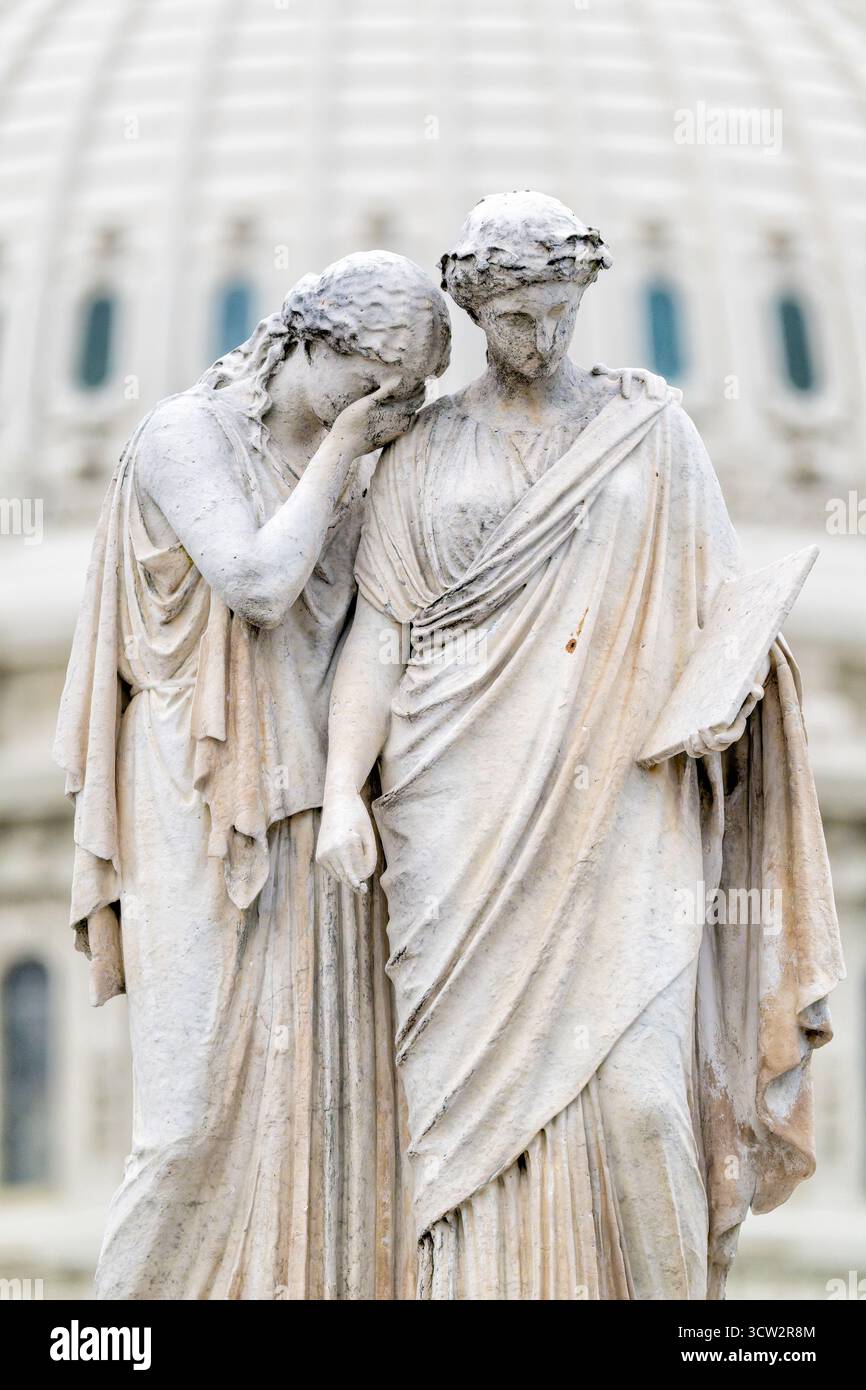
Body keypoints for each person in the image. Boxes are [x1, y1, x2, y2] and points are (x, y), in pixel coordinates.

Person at [317, 193, 844, 1300]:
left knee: (644, 1101)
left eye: (560, 310)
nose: (543, 336)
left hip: (626, 798)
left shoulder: (650, 432)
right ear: (473, 311)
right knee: (456, 1129)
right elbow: (378, 635)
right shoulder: (424, 450)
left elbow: (720, 608)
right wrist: (338, 795)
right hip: (454, 813)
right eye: (517, 317)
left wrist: (737, 685)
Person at [54, 251, 450, 1299]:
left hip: (317, 800)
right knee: (186, 1123)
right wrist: (349, 448)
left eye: (405, 390)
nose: (385, 405)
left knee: (322, 1108)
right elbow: (259, 583)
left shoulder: (358, 467)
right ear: (308, 341)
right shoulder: (188, 436)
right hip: (196, 782)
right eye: (372, 379)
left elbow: (385, 628)